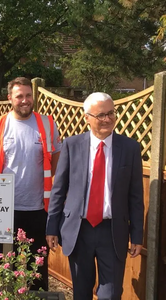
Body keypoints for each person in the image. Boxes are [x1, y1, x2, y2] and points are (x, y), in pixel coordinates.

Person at [46, 92, 144, 300]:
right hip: (79, 230)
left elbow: (136, 197)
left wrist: (136, 236)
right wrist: (52, 227)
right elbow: (59, 190)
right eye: (100, 115)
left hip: (113, 231)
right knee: (81, 292)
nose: (107, 119)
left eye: (111, 113)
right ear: (87, 117)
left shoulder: (130, 148)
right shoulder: (72, 145)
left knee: (111, 293)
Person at [0, 77, 62, 291]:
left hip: (38, 208)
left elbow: (55, 160)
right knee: (7, 265)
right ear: (10, 98)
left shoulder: (47, 123)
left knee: (38, 266)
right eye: (19, 96)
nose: (25, 100)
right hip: (6, 209)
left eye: (28, 95)